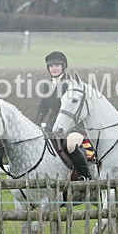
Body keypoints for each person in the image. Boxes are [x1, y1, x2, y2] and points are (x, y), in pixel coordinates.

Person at [35, 51, 91, 180]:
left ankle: (86, 176)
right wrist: (37, 123)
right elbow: (43, 106)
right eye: (51, 66)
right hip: (52, 126)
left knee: (70, 145)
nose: (53, 68)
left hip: (74, 126)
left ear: (64, 67)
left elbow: (68, 109)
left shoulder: (70, 84)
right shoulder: (47, 85)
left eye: (57, 65)